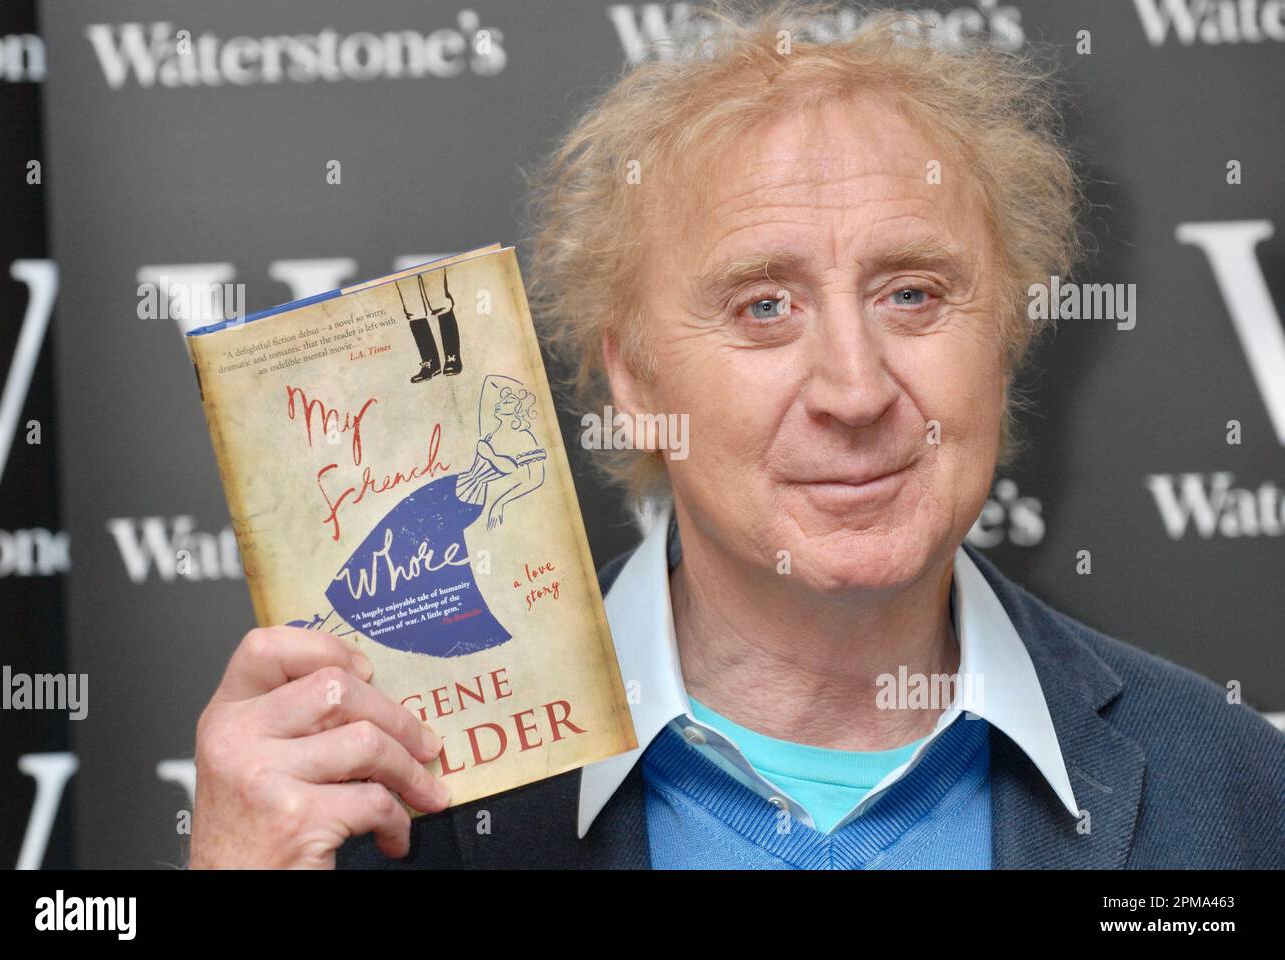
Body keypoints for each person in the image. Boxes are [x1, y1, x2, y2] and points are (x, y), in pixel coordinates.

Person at [188, 0, 1284, 869]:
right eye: (763, 306)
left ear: (1005, 331)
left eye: (911, 294)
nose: (853, 391)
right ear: (630, 372)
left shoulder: (1229, 789)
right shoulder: (391, 795)